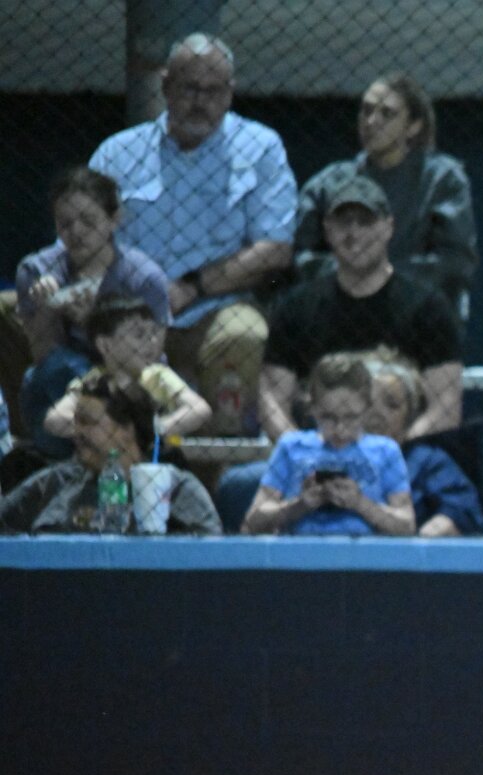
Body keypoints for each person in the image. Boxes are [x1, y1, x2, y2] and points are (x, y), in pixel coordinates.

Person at [89, 34, 296, 435]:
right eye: (189, 88)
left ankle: (220, 462)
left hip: (214, 306)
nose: (201, 101)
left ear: (230, 93)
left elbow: (275, 248)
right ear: (165, 86)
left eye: (213, 90)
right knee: (10, 311)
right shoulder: (118, 154)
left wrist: (192, 287)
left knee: (244, 334)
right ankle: (34, 450)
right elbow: (81, 238)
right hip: (127, 309)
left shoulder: (260, 148)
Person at [260, 175, 463, 442]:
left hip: (403, 455)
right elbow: (272, 399)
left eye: (366, 221)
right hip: (318, 451)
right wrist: (301, 450)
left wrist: (391, 453)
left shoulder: (428, 308)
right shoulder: (296, 308)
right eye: (344, 222)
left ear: (389, 227)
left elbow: (446, 408)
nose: (354, 233)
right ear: (327, 229)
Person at [12, 167, 170, 458]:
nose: (76, 232)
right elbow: (43, 355)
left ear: (114, 219)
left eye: (88, 221)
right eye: (65, 224)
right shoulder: (36, 270)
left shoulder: (144, 277)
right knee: (56, 369)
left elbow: (149, 354)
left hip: (129, 377)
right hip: (62, 381)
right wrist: (46, 308)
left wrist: (92, 322)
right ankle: (69, 454)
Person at [294, 73, 478, 323]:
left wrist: (383, 282)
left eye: (387, 114)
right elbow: (302, 254)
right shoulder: (328, 182)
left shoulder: (443, 180)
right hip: (340, 311)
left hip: (415, 314)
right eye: (366, 110)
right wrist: (351, 279)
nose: (371, 121)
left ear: (413, 126)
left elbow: (454, 261)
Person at [0, 376, 219, 534]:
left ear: (126, 430)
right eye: (76, 422)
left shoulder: (175, 491)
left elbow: (208, 555)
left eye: (88, 422)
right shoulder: (55, 483)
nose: (76, 432)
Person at [241, 353, 414, 536]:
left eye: (351, 417)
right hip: (301, 550)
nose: (340, 430)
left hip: (363, 552)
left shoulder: (385, 451)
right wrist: (299, 505)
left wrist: (360, 503)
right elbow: (252, 522)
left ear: (367, 409)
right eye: (328, 417)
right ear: (312, 408)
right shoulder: (291, 446)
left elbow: (406, 525)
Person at [42, 293, 211, 443]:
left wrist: (154, 429)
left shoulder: (157, 376)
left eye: (153, 333)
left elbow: (199, 409)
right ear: (105, 345)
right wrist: (105, 433)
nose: (152, 342)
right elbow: (55, 420)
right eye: (139, 334)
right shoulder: (94, 382)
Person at [364, 349, 483, 536]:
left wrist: (433, 532)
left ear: (409, 416)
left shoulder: (426, 461)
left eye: (392, 404)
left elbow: (461, 509)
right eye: (367, 402)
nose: (377, 414)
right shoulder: (330, 453)